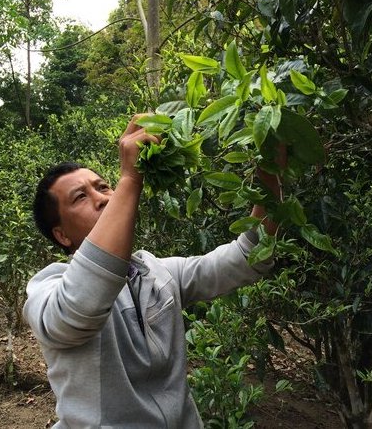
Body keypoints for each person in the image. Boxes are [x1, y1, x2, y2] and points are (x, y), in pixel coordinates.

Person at [23, 114, 279, 429]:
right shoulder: (46, 289)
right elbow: (79, 308)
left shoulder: (155, 272)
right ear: (61, 235)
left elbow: (246, 257)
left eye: (103, 187)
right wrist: (130, 179)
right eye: (81, 197)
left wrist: (271, 173)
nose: (103, 198)